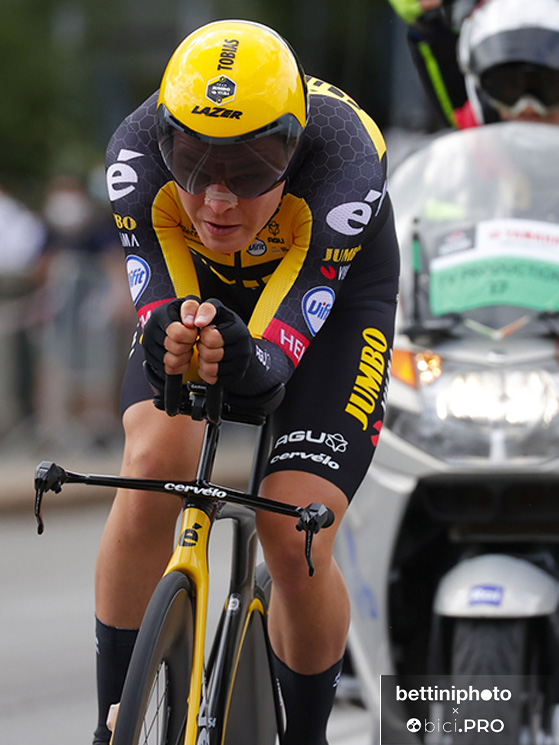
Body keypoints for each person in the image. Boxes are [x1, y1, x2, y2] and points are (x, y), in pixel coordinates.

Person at [95, 19, 399, 745]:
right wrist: (170, 340)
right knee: (151, 462)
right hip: (204, 284)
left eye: (251, 170)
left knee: (293, 528)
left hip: (331, 295)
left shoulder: (345, 160)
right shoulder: (134, 155)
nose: (218, 199)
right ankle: (110, 722)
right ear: (164, 142)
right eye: (193, 164)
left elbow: (267, 374)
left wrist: (248, 363)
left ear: (292, 148)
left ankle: (307, 735)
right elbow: (160, 313)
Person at [387, 0, 559, 128]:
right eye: (509, 86)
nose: (528, 108)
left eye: (550, 86)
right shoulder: (470, 147)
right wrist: (428, 20)